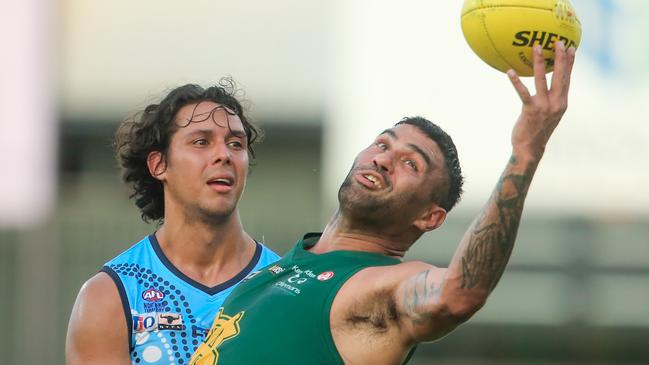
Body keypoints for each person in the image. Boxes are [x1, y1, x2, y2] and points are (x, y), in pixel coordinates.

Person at [190, 42, 576, 364]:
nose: (383, 158)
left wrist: (526, 153)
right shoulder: (279, 266)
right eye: (382, 143)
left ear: (430, 216)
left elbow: (460, 293)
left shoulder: (385, 287)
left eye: (411, 162)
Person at [65, 80, 280, 365]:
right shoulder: (111, 296)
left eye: (236, 144)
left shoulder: (283, 288)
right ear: (159, 165)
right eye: (201, 142)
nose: (224, 155)